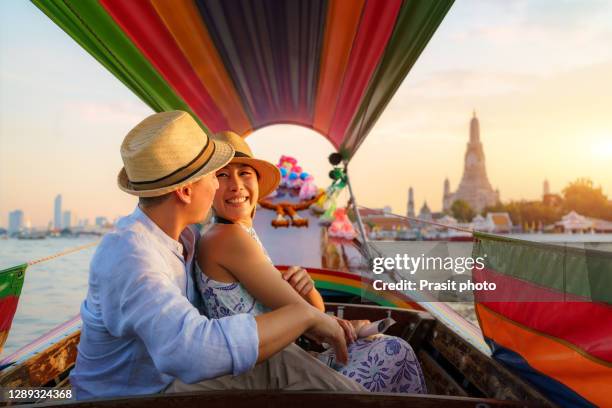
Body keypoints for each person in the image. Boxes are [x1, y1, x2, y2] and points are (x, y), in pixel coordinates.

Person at [70, 111, 362, 400]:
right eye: (215, 174)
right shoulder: (131, 256)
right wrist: (302, 316)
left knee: (281, 362)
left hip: (162, 383)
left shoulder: (185, 237)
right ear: (185, 190)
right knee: (279, 365)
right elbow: (191, 352)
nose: (219, 186)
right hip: (127, 398)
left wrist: (306, 311)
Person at [195, 131, 427, 394]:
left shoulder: (238, 233)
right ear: (209, 186)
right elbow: (310, 320)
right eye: (222, 175)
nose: (235, 185)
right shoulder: (227, 236)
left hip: (283, 362)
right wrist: (350, 326)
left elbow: (306, 314)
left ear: (258, 182)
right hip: (267, 378)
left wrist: (309, 291)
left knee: (384, 345)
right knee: (395, 350)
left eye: (244, 173)